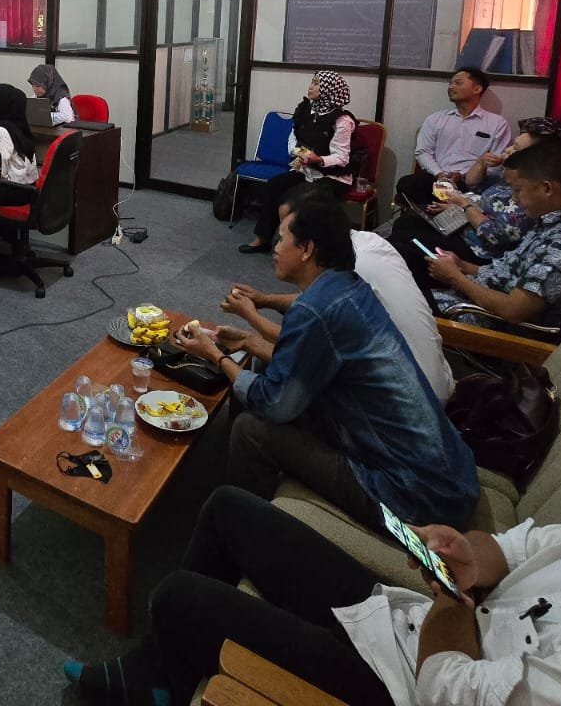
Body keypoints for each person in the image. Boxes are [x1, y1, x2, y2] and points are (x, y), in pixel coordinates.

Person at [65, 415, 561, 706]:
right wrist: (468, 557)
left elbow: (450, 686)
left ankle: (153, 677)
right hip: (427, 624)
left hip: (405, 684)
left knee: (184, 596)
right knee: (228, 506)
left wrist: (452, 606)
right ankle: (158, 678)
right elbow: (517, 545)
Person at [175, 194, 477, 529]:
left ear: (307, 249)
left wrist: (216, 356)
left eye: (283, 239)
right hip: (449, 475)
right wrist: (247, 341)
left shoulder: (317, 310)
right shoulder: (348, 286)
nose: (274, 247)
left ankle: (245, 529)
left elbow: (276, 404)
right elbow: (303, 361)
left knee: (252, 430)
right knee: (263, 372)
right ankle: (242, 477)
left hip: (413, 495)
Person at [227, 185, 454, 403]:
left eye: (286, 232)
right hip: (432, 381)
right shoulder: (364, 243)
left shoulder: (351, 271)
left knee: (256, 417)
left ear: (309, 239)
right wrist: (265, 300)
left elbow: (301, 344)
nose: (278, 243)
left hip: (408, 397)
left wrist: (249, 321)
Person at [427, 139, 561, 332]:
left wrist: (455, 278)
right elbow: (507, 272)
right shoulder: (549, 221)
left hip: (489, 322)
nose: (514, 198)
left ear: (547, 188)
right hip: (480, 296)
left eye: (517, 190)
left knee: (402, 302)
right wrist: (461, 265)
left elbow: (513, 310)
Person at [390, 116, 561, 293]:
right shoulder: (508, 176)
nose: (508, 150)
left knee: (403, 242)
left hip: (480, 250)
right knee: (406, 222)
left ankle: (409, 286)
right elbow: (473, 184)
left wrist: (464, 205)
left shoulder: (530, 192)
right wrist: (482, 163)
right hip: (466, 229)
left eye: (516, 148)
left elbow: (496, 235)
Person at [239, 71, 355, 254]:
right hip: (306, 170)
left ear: (329, 90)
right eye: (312, 82)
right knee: (274, 185)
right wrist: (300, 154)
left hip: (332, 177)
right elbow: (293, 139)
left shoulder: (342, 120)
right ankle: (263, 238)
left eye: (317, 83)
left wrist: (318, 159)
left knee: (303, 199)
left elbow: (341, 157)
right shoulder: (305, 110)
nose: (311, 86)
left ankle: (301, 249)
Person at [394, 67, 511, 210]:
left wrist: (464, 176)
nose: (451, 87)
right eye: (450, 83)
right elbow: (423, 152)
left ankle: (442, 214)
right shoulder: (436, 119)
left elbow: (496, 165)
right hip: (437, 180)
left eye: (458, 83)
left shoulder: (497, 123)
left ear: (477, 89)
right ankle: (441, 216)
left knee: (488, 194)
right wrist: (440, 174)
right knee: (407, 183)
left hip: (471, 185)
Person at [0, 83, 41, 204]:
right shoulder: (18, 125)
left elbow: (0, 171)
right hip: (29, 188)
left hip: (15, 190)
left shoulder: (2, 131)